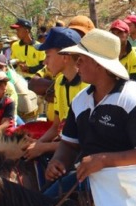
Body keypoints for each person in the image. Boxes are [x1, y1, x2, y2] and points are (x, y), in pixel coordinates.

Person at [43, 29, 136, 199]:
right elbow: (70, 144)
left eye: (81, 59)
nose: (77, 64)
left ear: (98, 63)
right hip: (90, 180)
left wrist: (103, 160)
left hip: (130, 188)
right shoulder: (80, 100)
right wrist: (58, 161)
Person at [24, 28, 89, 161]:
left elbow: (82, 141)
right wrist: (38, 143)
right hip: (64, 145)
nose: (44, 62)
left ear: (65, 56)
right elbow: (56, 126)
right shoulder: (59, 82)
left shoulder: (87, 87)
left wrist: (43, 147)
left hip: (81, 155)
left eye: (48, 55)